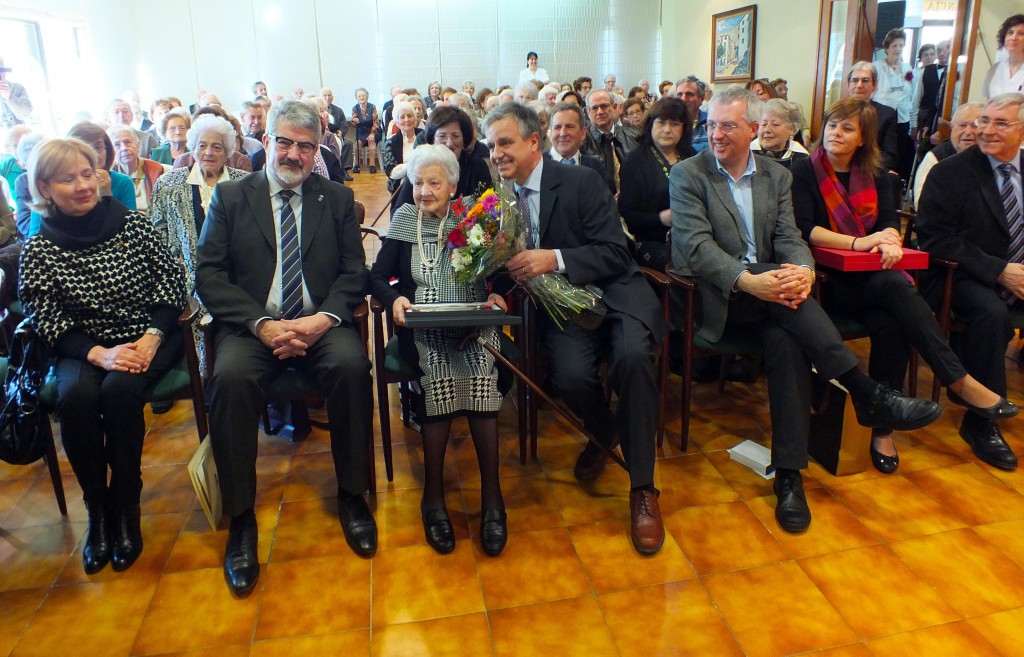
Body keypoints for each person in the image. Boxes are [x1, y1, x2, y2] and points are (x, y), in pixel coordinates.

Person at [670, 87, 944, 532]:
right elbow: (697, 248)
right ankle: (864, 390)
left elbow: (790, 237)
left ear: (754, 130)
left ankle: (790, 477)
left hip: (776, 299)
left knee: (787, 342)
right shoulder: (688, 174)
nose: (714, 134)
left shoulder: (777, 176)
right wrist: (749, 280)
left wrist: (804, 271)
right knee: (777, 291)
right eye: (710, 125)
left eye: (726, 125)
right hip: (721, 295)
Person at [196, 100, 374, 596]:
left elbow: (353, 272)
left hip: (320, 323)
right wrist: (261, 324)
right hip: (255, 327)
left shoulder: (336, 198)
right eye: (285, 142)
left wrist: (324, 319)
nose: (294, 153)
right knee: (229, 381)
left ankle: (353, 494)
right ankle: (241, 519)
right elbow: (208, 274)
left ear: (318, 150)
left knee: (353, 366)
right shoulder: (231, 197)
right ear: (268, 140)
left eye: (306, 145)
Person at [791, 98, 1016, 473]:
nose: (835, 133)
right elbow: (803, 228)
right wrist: (861, 243)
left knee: (893, 324)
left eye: (847, 128)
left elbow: (888, 222)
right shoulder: (803, 171)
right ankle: (957, 379)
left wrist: (891, 239)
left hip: (873, 278)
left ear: (864, 138)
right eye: (831, 125)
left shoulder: (879, 174)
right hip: (827, 283)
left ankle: (883, 429)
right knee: (896, 289)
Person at [483, 102, 667, 555]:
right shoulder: (498, 197)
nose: (496, 153)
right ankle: (605, 432)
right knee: (568, 377)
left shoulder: (583, 181)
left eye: (504, 142)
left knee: (630, 359)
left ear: (532, 140)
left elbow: (615, 253)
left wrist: (556, 258)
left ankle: (643, 488)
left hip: (616, 295)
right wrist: (497, 292)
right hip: (566, 311)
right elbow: (503, 266)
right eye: (490, 145)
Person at [20, 138, 185, 574]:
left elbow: (172, 281)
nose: (82, 185)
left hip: (147, 335)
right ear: (44, 187)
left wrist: (150, 338)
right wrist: (98, 353)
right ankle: (98, 510)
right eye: (67, 178)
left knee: (120, 393)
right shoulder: (39, 247)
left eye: (87, 173)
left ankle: (126, 503)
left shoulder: (132, 224)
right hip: (82, 345)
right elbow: (44, 316)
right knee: (74, 398)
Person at [369, 145, 509, 555]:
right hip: (423, 329)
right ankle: (432, 498)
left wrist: (497, 294)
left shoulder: (472, 216)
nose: (424, 191)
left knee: (482, 371)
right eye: (417, 183)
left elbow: (499, 272)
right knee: (441, 376)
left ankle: (492, 499)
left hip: (472, 323)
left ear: (452, 185)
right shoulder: (405, 220)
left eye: (434, 183)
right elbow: (376, 276)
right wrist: (394, 299)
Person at [917, 93, 1024, 472]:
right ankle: (982, 422)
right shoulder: (952, 172)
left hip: (1018, 274)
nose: (987, 130)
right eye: (984, 121)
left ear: (1022, 130)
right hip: (959, 275)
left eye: (1000, 123)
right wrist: (1000, 270)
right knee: (991, 314)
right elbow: (934, 238)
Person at [149, 113, 249, 372]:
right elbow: (156, 234)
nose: (208, 152)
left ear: (227, 151)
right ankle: (204, 381)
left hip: (236, 276)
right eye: (202, 145)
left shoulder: (244, 183)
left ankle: (231, 376)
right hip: (185, 278)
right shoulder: (168, 183)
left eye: (217, 146)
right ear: (192, 147)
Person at [619, 97, 695, 270]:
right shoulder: (635, 161)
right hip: (652, 240)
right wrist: (661, 218)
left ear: (684, 128)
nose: (667, 130)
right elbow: (629, 216)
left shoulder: (691, 156)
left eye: (674, 124)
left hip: (692, 234)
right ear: (651, 125)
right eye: (661, 123)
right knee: (684, 266)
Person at [392, 105, 491, 216]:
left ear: (464, 138)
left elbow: (489, 210)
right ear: (432, 139)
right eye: (442, 136)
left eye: (455, 136)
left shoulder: (478, 166)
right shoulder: (420, 165)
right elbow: (398, 214)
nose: (449, 143)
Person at [913, 102, 983, 207]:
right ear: (952, 127)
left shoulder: (990, 156)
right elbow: (920, 203)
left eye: (975, 125)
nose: (968, 131)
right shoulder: (935, 158)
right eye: (962, 125)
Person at [580, 88, 639, 195]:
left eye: (604, 106)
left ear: (614, 107)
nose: (600, 112)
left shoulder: (635, 137)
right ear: (588, 112)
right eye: (594, 108)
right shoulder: (581, 143)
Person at [848, 61, 900, 173]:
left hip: (871, 172)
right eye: (855, 80)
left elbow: (889, 155)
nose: (859, 85)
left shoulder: (887, 114)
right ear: (848, 85)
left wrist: (865, 172)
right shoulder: (836, 113)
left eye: (865, 80)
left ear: (874, 86)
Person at [108, 125, 171, 212]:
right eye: (117, 145)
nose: (124, 148)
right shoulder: (109, 177)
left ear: (138, 145)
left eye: (128, 142)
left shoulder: (159, 171)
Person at [547, 102, 607, 183]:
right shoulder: (537, 165)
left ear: (583, 133)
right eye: (557, 127)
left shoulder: (595, 167)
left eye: (569, 127)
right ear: (550, 134)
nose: (563, 133)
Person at [751, 98, 809, 168]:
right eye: (764, 124)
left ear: (792, 129)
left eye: (775, 124)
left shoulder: (802, 157)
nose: (767, 130)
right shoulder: (747, 153)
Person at [381, 100, 422, 193]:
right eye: (402, 117)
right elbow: (391, 172)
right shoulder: (391, 142)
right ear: (397, 122)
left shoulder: (424, 136)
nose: (407, 120)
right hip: (401, 189)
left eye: (409, 116)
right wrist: (415, 165)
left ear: (414, 118)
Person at [982, 15, 1024, 97]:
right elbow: (988, 102)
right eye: (1010, 33)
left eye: (1021, 33)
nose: (1014, 37)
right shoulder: (993, 70)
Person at [911, 43, 941, 139]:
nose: (929, 57)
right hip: (921, 113)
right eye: (926, 55)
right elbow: (915, 99)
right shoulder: (915, 73)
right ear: (921, 57)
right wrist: (914, 123)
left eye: (932, 54)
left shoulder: (940, 72)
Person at [674, 76, 709, 152]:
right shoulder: (669, 123)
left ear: (701, 99)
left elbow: (715, 147)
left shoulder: (711, 121)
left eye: (689, 94)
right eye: (679, 94)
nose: (683, 99)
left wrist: (684, 150)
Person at [351, 88, 378, 173]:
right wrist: (354, 121)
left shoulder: (372, 107)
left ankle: (372, 165)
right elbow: (354, 122)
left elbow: (376, 122)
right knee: (357, 144)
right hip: (361, 131)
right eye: (359, 96)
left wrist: (372, 133)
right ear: (356, 98)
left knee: (371, 141)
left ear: (367, 97)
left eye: (363, 96)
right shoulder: (355, 108)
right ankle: (357, 165)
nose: (361, 97)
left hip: (371, 130)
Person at [0, 56, 32, 128]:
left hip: (15, 136)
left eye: (1, 70)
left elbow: (26, 114)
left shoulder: (17, 88)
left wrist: (9, 97)